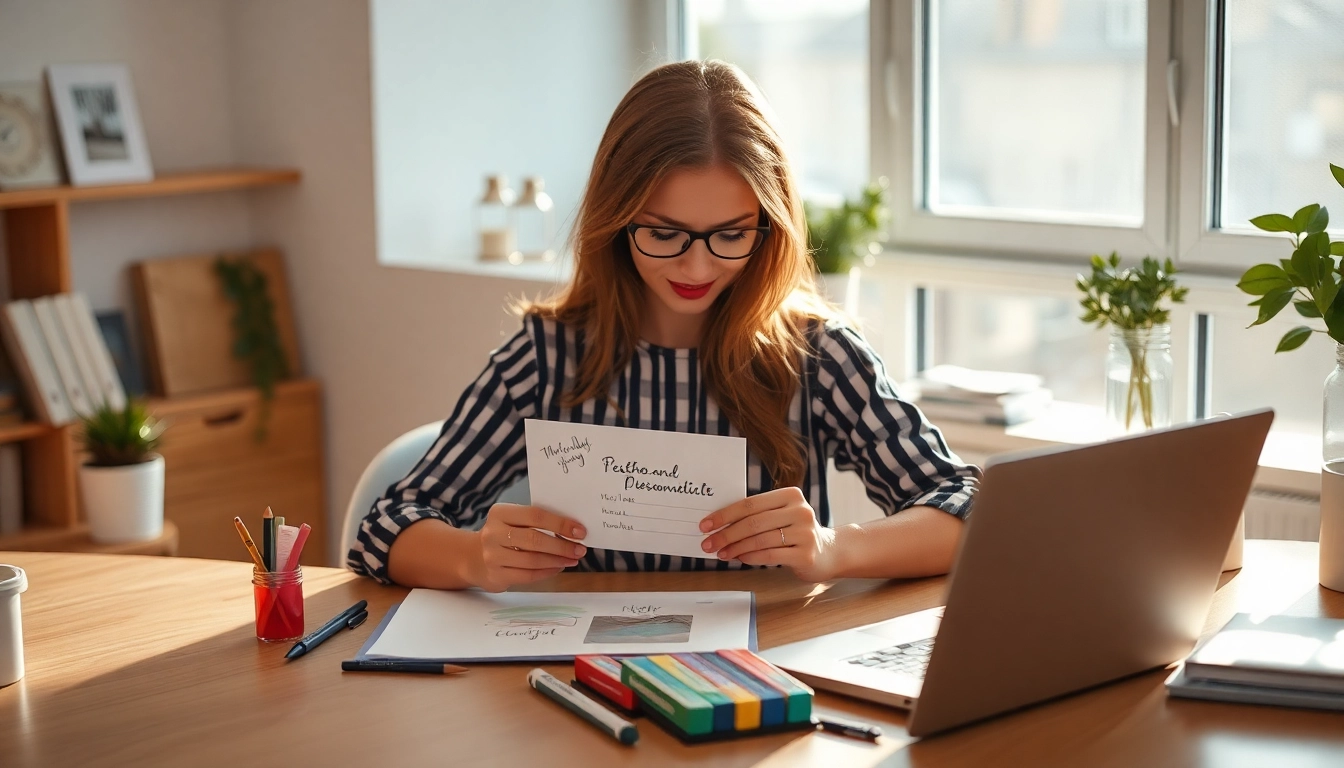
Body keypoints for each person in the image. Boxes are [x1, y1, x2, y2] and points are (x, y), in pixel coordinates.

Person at [348, 60, 979, 591]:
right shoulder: (550, 357)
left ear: (769, 230)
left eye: (730, 235)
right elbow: (387, 526)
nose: (697, 265)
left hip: (764, 679)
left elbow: (965, 509)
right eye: (664, 233)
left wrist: (834, 548)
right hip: (586, 685)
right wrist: (472, 556)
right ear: (615, 221)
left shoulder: (816, 357)